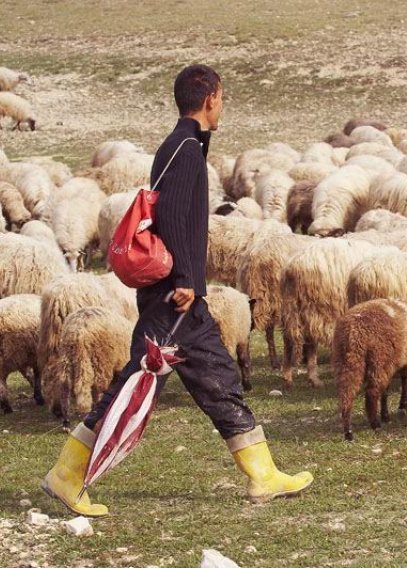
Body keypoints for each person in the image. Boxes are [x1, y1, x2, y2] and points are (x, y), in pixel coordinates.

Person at [41, 64, 313, 517]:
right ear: (210, 98)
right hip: (175, 299)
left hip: (185, 302)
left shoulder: (182, 144)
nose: (223, 105)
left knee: (220, 379)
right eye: (222, 97)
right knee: (136, 384)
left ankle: (262, 474)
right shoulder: (185, 150)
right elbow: (175, 219)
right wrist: (187, 280)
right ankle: (68, 473)